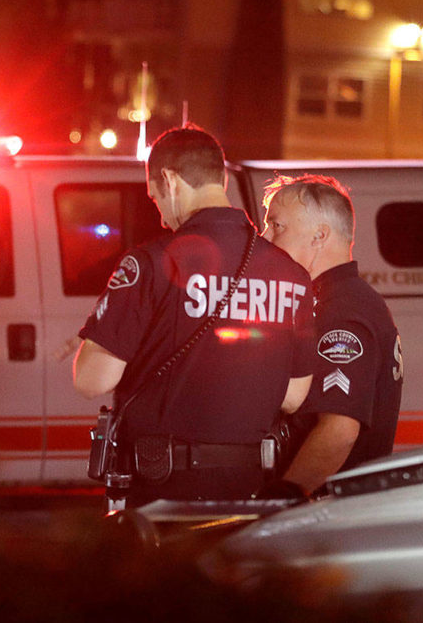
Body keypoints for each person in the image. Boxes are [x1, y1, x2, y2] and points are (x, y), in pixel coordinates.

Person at [73, 125, 315, 507]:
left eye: (155, 198)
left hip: (165, 491)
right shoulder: (292, 275)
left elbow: (92, 379)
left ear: (169, 181)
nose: (163, 216)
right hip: (248, 487)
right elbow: (293, 396)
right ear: (219, 178)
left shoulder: (149, 263)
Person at [260, 174, 404, 498]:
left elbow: (339, 430)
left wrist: (284, 498)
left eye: (277, 226)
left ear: (319, 236)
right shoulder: (337, 300)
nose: (264, 237)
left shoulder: (342, 311)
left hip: (329, 513)